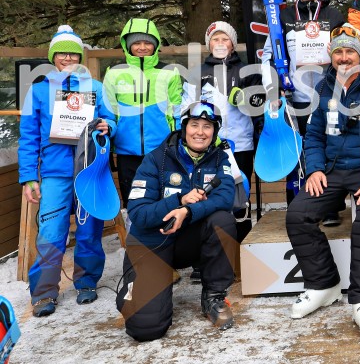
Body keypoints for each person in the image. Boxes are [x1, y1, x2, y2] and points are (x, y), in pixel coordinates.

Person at [286, 28, 360, 331]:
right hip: (333, 170)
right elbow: (312, 136)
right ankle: (323, 285)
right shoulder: (323, 88)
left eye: (349, 52)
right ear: (330, 55)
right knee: (298, 215)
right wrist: (314, 170)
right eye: (338, 52)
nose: (344, 58)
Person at [116, 101, 237, 340]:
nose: (200, 132)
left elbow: (225, 197)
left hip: (188, 241)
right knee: (145, 328)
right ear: (183, 127)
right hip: (153, 243)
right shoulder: (155, 159)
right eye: (194, 125)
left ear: (215, 131)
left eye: (207, 126)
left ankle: (213, 296)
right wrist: (179, 201)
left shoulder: (220, 158)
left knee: (223, 220)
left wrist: (189, 212)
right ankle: (147, 290)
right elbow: (138, 213)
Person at [18, 25, 116, 317]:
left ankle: (86, 281)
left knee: (89, 229)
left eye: (73, 53)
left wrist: (106, 127)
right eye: (60, 53)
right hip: (54, 172)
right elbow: (28, 137)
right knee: (51, 231)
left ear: (80, 57)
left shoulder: (96, 89)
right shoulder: (37, 90)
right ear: (52, 56)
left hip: (90, 169)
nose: (66, 58)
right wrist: (28, 177)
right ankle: (44, 292)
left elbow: (112, 122)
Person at [261, 0, 346, 223]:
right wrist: (273, 89)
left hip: (329, 95)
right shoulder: (283, 17)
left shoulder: (333, 14)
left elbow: (349, 51)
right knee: (296, 152)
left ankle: (330, 207)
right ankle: (297, 206)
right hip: (293, 97)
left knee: (329, 150)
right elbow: (268, 55)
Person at [183, 21, 262, 249]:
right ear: (209, 44)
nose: (220, 43)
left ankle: (242, 250)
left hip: (241, 144)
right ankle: (207, 253)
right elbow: (186, 108)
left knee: (240, 196)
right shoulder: (197, 73)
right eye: (215, 39)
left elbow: (258, 107)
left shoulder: (247, 70)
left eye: (224, 39)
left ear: (232, 43)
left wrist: (246, 99)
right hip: (207, 146)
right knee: (207, 195)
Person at [103, 18, 182, 208]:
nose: (142, 47)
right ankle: (135, 236)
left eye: (147, 42)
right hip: (126, 150)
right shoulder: (114, 73)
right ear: (127, 45)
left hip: (161, 149)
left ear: (155, 45)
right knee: (132, 200)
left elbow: (178, 111)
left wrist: (178, 141)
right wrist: (109, 131)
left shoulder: (170, 72)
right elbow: (109, 113)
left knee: (162, 198)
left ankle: (165, 235)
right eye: (136, 42)